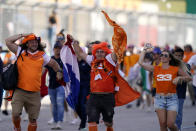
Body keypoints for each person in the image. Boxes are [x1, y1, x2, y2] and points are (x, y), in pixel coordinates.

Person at [5, 33, 63, 131]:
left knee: (33, 120)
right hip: (19, 91)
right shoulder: (20, 51)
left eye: (36, 42)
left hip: (35, 92)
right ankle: (17, 127)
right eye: (31, 42)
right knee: (15, 114)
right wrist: (22, 35)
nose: (34, 44)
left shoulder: (42, 55)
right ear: (27, 44)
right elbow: (8, 41)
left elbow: (53, 63)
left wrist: (58, 71)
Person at [139, 46, 192, 131]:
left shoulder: (175, 69)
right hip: (159, 99)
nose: (162, 56)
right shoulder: (156, 68)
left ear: (170, 58)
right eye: (161, 55)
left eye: (165, 55)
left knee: (170, 124)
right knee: (163, 125)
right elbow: (141, 63)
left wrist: (180, 78)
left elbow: (189, 78)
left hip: (172, 99)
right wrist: (144, 50)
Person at [45, 41, 65, 130]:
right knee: (53, 105)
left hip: (61, 85)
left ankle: (59, 122)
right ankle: (56, 121)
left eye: (59, 48)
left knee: (60, 103)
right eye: (56, 48)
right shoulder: (50, 59)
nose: (58, 50)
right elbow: (43, 70)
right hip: (51, 86)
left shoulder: (64, 60)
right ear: (53, 49)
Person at [174, 48, 191, 131]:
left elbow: (189, 78)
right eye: (176, 55)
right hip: (168, 93)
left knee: (178, 113)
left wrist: (180, 78)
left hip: (180, 93)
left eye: (179, 56)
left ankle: (178, 128)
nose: (177, 57)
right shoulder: (168, 65)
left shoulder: (186, 65)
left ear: (182, 56)